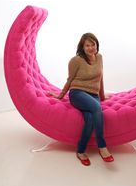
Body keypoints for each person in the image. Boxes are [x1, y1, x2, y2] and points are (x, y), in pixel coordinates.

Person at [49, 33, 114, 166]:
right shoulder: (76, 60)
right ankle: (102, 146)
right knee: (97, 108)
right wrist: (60, 95)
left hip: (93, 95)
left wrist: (101, 96)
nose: (91, 48)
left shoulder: (100, 57)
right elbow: (70, 79)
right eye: (87, 45)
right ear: (82, 47)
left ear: (97, 45)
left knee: (90, 119)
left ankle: (80, 150)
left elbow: (100, 78)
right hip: (77, 94)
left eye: (93, 44)